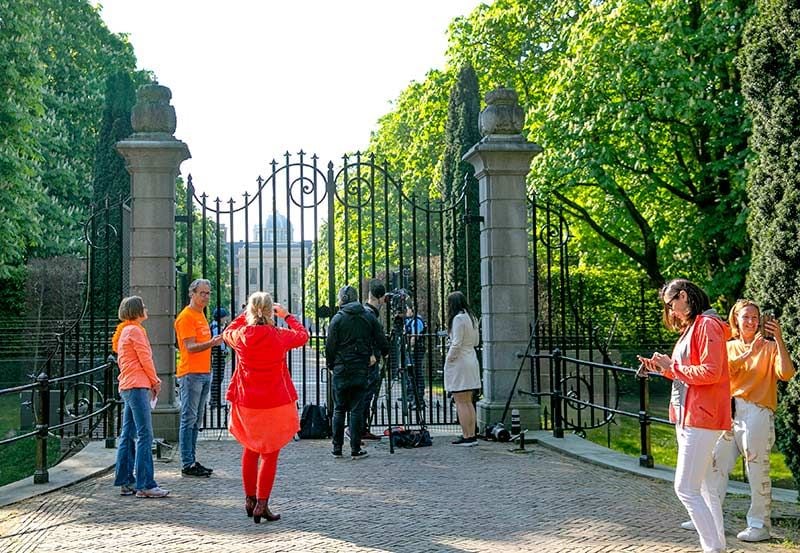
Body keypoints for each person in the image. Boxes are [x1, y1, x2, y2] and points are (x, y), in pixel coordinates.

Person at [638, 278, 731, 553]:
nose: (671, 312)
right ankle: (718, 546)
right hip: (690, 414)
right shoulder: (694, 327)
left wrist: (673, 367)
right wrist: (662, 368)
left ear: (684, 296)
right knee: (703, 488)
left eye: (671, 304)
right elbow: (687, 373)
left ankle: (714, 548)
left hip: (701, 416)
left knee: (685, 488)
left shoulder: (706, 324)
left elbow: (711, 372)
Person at [698, 300, 795, 542]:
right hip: (729, 411)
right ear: (736, 320)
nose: (751, 321)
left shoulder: (770, 347)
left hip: (757, 412)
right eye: (746, 317)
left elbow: (787, 373)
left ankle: (759, 525)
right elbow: (725, 371)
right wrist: (749, 352)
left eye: (755, 317)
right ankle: (708, 517)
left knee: (756, 468)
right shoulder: (728, 346)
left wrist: (779, 340)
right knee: (715, 464)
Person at [223, 291, 308, 523]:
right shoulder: (279, 335)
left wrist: (244, 315)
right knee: (269, 454)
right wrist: (287, 315)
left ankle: (249, 499)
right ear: (272, 311)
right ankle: (262, 503)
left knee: (250, 449)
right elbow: (303, 336)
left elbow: (225, 332)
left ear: (250, 310)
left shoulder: (241, 335)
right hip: (275, 401)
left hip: (247, 402)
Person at [112, 296, 169, 498]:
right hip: (137, 385)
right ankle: (146, 484)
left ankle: (126, 480)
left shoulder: (125, 331)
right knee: (145, 434)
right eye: (143, 306)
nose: (146, 308)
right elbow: (145, 358)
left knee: (127, 434)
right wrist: (155, 381)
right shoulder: (136, 331)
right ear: (136, 310)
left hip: (127, 385)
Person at [326, 285, 389, 459]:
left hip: (341, 368)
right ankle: (355, 449)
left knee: (339, 409)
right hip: (361, 369)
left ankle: (337, 448)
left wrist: (331, 365)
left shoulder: (337, 319)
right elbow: (381, 339)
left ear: (342, 299)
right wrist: (384, 353)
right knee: (356, 409)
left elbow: (330, 346)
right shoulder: (367, 317)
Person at [174, 278, 223, 477]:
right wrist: (212, 343)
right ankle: (187, 462)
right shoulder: (186, 317)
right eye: (202, 293)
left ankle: (191, 460)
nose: (205, 297)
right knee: (189, 418)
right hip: (191, 373)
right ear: (191, 294)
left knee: (196, 419)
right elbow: (189, 347)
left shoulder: (200, 315)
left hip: (204, 372)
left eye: (208, 293)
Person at [443, 291, 481, 447]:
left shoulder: (458, 319)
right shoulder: (472, 318)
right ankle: (471, 435)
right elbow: (477, 341)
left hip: (460, 362)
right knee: (468, 401)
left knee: (460, 401)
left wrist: (449, 358)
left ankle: (466, 435)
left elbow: (456, 343)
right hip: (471, 358)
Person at [360, 279, 387, 440]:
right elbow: (367, 336)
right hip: (370, 362)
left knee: (366, 395)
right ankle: (361, 428)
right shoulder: (370, 314)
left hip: (370, 360)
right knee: (366, 395)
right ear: (380, 297)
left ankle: (362, 428)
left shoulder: (366, 311)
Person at [404, 305, 426, 408]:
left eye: (407, 309)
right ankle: (413, 398)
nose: (406, 311)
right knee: (412, 374)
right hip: (414, 351)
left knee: (416, 373)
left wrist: (410, 347)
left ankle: (419, 399)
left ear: (412, 310)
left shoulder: (417, 321)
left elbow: (414, 336)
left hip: (416, 351)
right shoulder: (411, 320)